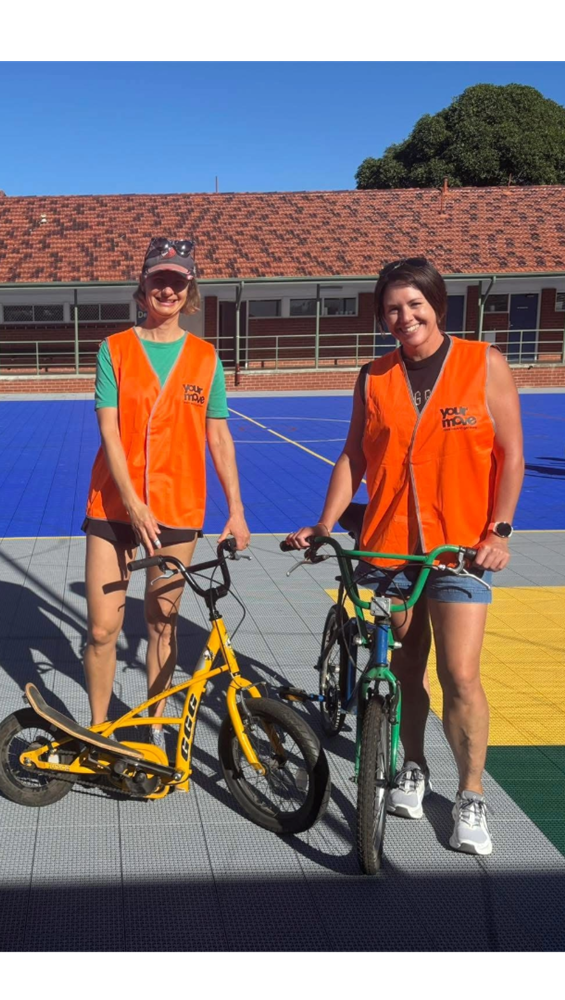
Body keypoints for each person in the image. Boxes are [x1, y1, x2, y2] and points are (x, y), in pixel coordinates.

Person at [285, 257, 524, 855]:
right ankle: (412, 765)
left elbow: (512, 453)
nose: (405, 317)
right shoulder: (374, 377)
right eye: (392, 308)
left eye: (415, 305)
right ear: (381, 316)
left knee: (460, 674)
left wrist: (499, 532)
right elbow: (353, 459)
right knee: (406, 670)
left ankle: (470, 795)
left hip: (460, 550)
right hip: (391, 549)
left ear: (437, 305)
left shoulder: (483, 363)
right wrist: (322, 522)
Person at [82, 238, 251, 742]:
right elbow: (109, 431)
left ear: (189, 289)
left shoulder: (205, 357)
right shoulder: (114, 349)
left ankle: (153, 724)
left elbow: (218, 435)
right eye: (159, 278)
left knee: (162, 622)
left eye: (178, 280)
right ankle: (99, 729)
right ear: (143, 284)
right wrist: (133, 503)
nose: (167, 289)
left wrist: (237, 511)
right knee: (101, 629)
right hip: (115, 506)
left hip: (178, 506)